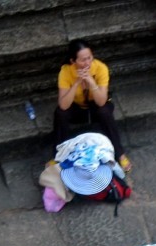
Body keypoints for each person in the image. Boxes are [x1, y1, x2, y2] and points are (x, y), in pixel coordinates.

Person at [53, 39, 132, 172]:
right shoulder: (66, 71)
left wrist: (91, 82)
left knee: (104, 111)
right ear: (73, 61)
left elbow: (101, 101)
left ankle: (120, 153)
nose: (87, 63)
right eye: (83, 60)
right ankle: (58, 155)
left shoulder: (100, 68)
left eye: (89, 58)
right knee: (60, 114)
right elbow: (63, 105)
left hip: (96, 106)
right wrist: (77, 83)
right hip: (77, 108)